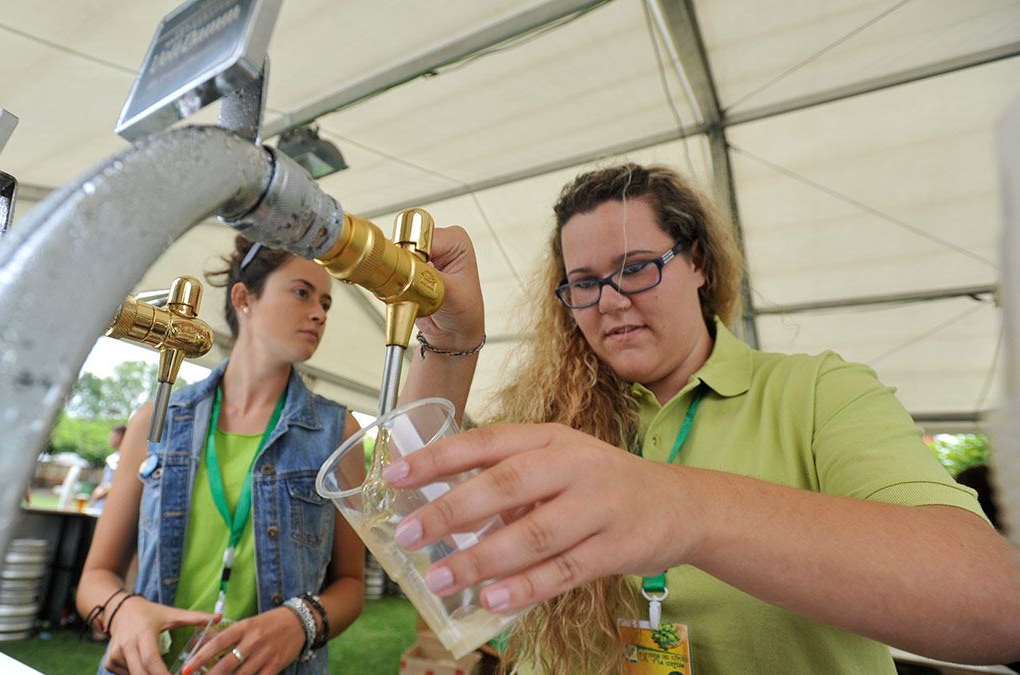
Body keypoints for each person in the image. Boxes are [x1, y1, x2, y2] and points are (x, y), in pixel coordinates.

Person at [383, 163, 1020, 672]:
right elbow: (416, 521)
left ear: (698, 263)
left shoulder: (819, 392)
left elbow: (994, 608)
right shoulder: (549, 414)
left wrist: (682, 508)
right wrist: (450, 336)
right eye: (584, 282)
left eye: (635, 268)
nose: (609, 300)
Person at [76, 237, 365, 675]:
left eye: (326, 302)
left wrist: (300, 622)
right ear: (244, 297)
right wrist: (123, 612)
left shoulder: (337, 431)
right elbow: (96, 575)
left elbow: (351, 584)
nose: (320, 313)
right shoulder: (156, 420)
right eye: (302, 292)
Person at [88, 425, 126, 514]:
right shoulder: (114, 457)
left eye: (113, 435)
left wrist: (102, 492)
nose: (110, 439)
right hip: (100, 506)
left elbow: (119, 482)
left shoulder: (124, 458)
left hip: (109, 508)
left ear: (121, 437)